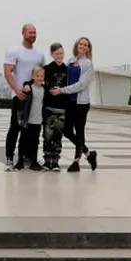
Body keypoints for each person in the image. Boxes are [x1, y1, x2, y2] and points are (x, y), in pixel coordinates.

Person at [2, 23, 45, 171]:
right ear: (23, 33)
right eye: (30, 32)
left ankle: (28, 157)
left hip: (34, 98)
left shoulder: (39, 55)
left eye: (35, 33)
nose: (33, 35)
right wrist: (17, 90)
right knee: (15, 128)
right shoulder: (14, 51)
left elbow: (41, 75)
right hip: (20, 97)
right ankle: (9, 158)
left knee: (31, 130)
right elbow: (8, 72)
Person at [55, 36, 97, 172]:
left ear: (88, 48)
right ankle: (89, 154)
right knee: (67, 130)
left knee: (79, 131)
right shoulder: (70, 61)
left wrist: (62, 90)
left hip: (81, 103)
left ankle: (76, 161)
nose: (83, 46)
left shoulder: (88, 64)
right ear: (77, 45)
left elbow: (81, 84)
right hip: (70, 102)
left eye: (86, 45)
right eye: (81, 44)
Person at [41, 43, 69, 171]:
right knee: (48, 134)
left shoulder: (67, 70)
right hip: (48, 107)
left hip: (62, 107)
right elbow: (38, 82)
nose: (60, 56)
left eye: (61, 53)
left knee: (58, 134)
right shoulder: (46, 69)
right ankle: (47, 160)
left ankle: (55, 160)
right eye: (57, 53)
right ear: (52, 54)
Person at [13, 65, 46, 171]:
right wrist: (20, 117)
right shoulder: (28, 88)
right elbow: (21, 104)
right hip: (28, 121)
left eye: (42, 76)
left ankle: (34, 161)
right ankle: (20, 162)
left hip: (38, 121)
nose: (40, 78)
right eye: (37, 76)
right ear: (33, 76)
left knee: (35, 142)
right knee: (23, 141)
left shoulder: (44, 89)